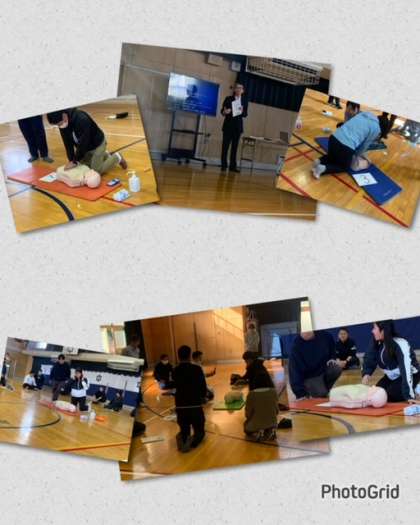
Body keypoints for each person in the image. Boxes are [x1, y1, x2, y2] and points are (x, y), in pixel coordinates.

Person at [46, 108, 127, 175]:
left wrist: (75, 161)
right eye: (57, 125)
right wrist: (71, 160)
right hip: (86, 147)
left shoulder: (81, 118)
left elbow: (83, 142)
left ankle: (117, 157)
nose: (59, 126)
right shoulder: (63, 123)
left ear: (64, 115)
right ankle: (105, 155)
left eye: (59, 124)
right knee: (81, 165)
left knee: (96, 170)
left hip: (97, 144)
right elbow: (67, 143)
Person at [312, 111, 389, 178]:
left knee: (333, 157)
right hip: (346, 146)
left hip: (334, 138)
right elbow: (364, 146)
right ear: (382, 128)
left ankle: (318, 161)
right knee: (344, 167)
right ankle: (323, 168)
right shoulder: (376, 128)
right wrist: (356, 155)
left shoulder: (363, 114)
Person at [362, 320, 420, 403]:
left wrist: (409, 394)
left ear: (383, 330)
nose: (372, 331)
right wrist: (366, 373)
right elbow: (369, 357)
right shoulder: (377, 342)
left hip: (410, 375)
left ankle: (416, 389)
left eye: (374, 328)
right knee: (375, 393)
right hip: (392, 377)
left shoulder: (400, 343)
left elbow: (406, 370)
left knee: (387, 396)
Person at [173, 345, 207, 453]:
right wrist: (203, 397)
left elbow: (173, 386)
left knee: (184, 428)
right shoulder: (197, 369)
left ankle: (184, 438)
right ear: (189, 356)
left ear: (178, 356)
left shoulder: (175, 370)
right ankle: (193, 442)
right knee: (200, 431)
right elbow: (203, 387)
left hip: (181, 406)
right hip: (195, 405)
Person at [289, 331, 342, 399]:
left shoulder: (325, 336)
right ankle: (315, 390)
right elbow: (294, 373)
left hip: (322, 371)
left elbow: (332, 347)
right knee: (321, 395)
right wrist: (300, 394)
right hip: (309, 377)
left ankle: (324, 388)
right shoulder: (295, 346)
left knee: (336, 368)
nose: (306, 333)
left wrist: (333, 358)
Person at [220, 82, 248, 173]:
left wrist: (242, 111)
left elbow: (245, 114)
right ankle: (224, 165)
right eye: (237, 88)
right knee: (225, 147)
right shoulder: (228, 99)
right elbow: (222, 111)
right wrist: (225, 112)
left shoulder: (244, 101)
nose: (239, 89)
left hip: (237, 128)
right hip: (228, 126)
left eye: (240, 88)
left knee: (234, 148)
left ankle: (233, 166)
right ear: (234, 89)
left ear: (243, 91)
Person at [244, 371, 279, 441]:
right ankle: (269, 429)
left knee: (246, 428)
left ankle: (258, 431)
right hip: (273, 422)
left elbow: (248, 413)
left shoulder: (251, 394)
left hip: (256, 424)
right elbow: (277, 411)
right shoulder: (274, 392)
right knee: (269, 422)